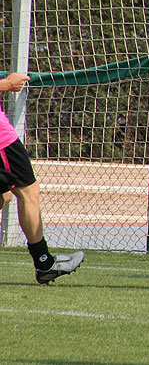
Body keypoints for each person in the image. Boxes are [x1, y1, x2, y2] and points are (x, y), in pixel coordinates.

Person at [0, 72, 84, 284]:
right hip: (2, 140)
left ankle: (44, 262)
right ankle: (44, 262)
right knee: (28, 191)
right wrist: (7, 84)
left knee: (6, 196)